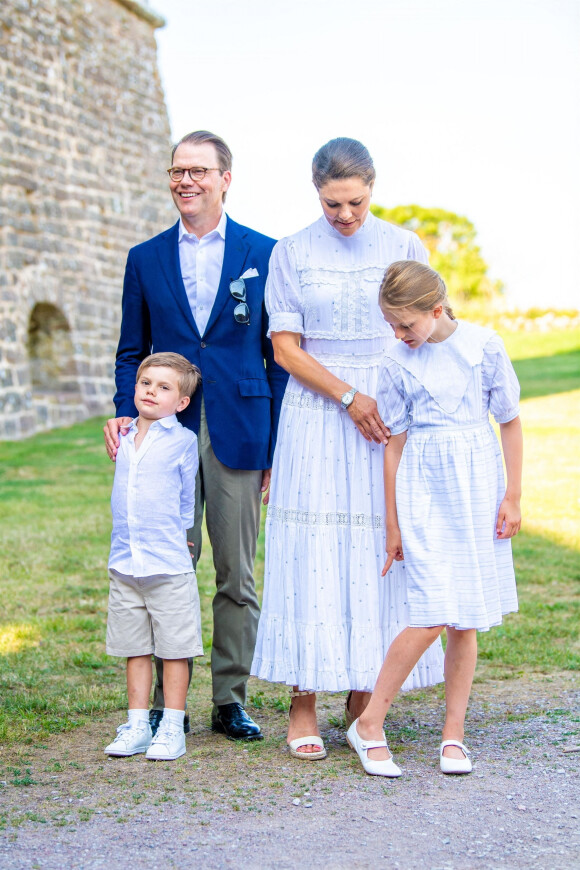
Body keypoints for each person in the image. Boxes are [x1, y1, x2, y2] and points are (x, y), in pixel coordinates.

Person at [251, 138, 444, 760]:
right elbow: (285, 348)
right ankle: (304, 698)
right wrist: (347, 396)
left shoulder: (402, 245)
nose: (345, 215)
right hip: (318, 411)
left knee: (377, 546)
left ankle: (365, 690)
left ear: (372, 188)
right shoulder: (292, 251)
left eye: (355, 202)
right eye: (333, 204)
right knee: (313, 549)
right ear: (316, 193)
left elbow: (427, 332)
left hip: (389, 415)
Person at [103, 131, 288, 741]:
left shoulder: (266, 252)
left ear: (225, 178)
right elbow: (131, 350)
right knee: (162, 563)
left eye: (199, 171)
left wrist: (276, 445)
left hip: (240, 428)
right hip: (164, 432)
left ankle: (229, 698)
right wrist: (123, 411)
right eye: (177, 170)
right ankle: (159, 705)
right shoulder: (145, 258)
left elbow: (277, 357)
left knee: (237, 573)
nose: (186, 180)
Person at [347, 260, 522, 777]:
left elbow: (509, 422)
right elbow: (394, 443)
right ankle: (369, 722)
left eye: (406, 324)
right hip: (424, 488)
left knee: (465, 617)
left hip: (476, 487)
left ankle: (454, 736)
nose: (399, 335)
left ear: (436, 309)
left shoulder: (483, 347)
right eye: (392, 326)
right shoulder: (396, 361)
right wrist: (394, 523)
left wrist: (513, 495)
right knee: (430, 610)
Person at [104, 352, 202, 761]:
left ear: (181, 402)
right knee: (135, 647)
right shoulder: (123, 434)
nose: (151, 392)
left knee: (175, 647)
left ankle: (172, 726)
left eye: (164, 387)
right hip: (126, 561)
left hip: (167, 562)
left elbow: (185, 496)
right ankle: (138, 724)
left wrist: (182, 535)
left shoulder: (184, 441)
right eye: (146, 383)